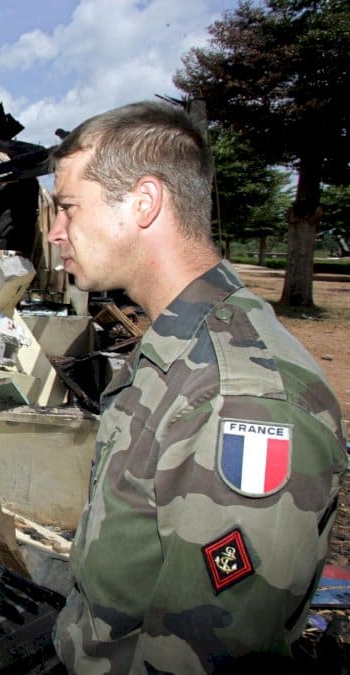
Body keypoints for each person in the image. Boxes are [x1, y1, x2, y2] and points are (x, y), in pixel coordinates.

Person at [47, 100, 346, 673]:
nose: (57, 233)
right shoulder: (177, 346)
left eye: (67, 208)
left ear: (144, 203)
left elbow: (204, 652)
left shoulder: (240, 398)